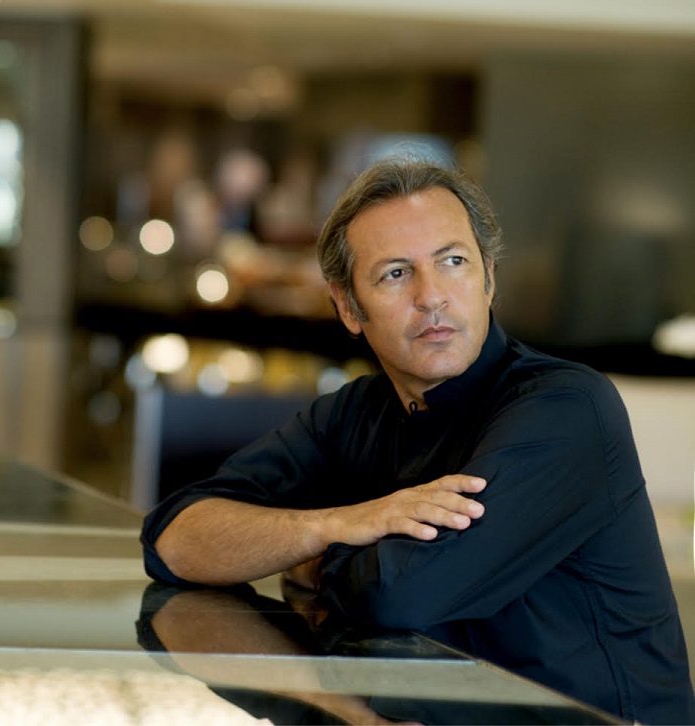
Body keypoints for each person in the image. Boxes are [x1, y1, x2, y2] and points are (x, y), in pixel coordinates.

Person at [141, 158, 695, 724]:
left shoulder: (565, 407)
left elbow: (401, 593)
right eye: (396, 273)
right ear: (347, 306)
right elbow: (174, 540)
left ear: (489, 278)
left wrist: (311, 561)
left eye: (453, 261)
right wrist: (334, 525)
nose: (432, 296)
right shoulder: (354, 413)